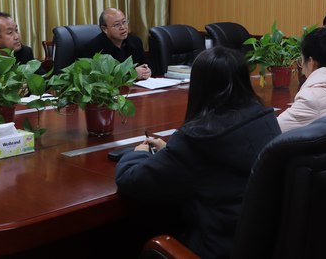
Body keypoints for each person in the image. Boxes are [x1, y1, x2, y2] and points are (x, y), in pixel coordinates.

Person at [115, 46, 280, 259]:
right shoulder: (265, 118)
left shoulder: (198, 138)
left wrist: (139, 153)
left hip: (214, 249)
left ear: (199, 86)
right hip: (259, 246)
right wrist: (172, 153)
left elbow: (131, 181)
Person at [82, 7, 151, 80]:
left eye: (124, 22)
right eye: (117, 25)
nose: (123, 27)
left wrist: (147, 71)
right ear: (104, 29)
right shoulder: (92, 48)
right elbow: (98, 79)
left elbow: (145, 64)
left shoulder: (135, 41)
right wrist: (131, 74)